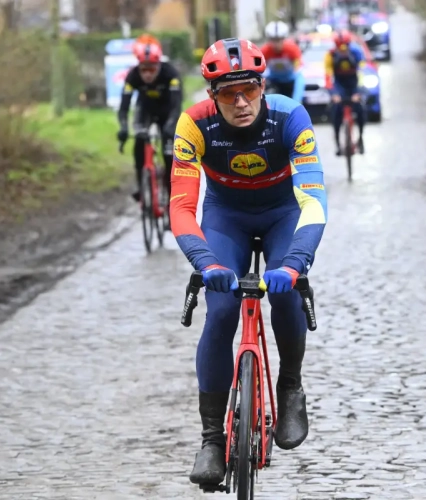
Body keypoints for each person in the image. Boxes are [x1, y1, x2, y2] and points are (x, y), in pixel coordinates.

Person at [170, 37, 328, 486]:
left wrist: (294, 263)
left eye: (250, 91)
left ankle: (291, 385)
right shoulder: (194, 125)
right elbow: (182, 206)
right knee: (219, 310)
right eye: (227, 93)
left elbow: (314, 199)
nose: (240, 103)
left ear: (263, 86)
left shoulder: (290, 116)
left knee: (286, 295)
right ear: (211, 95)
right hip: (226, 218)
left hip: (283, 214)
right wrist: (205, 262)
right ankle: (212, 442)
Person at [117, 35, 183, 206]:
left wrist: (170, 126)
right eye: (143, 69)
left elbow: (176, 106)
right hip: (145, 110)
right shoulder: (132, 76)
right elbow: (123, 106)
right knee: (139, 142)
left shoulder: (171, 74)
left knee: (169, 156)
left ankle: (171, 201)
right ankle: (142, 187)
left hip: (167, 112)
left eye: (151, 69)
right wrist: (123, 127)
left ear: (158, 65)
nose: (147, 74)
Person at [324, 29, 366, 155]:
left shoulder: (357, 52)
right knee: (336, 110)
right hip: (339, 84)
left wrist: (359, 92)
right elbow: (328, 77)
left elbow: (362, 73)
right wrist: (333, 94)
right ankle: (337, 143)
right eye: (339, 48)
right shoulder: (330, 55)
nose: (342, 51)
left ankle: (361, 138)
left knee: (361, 109)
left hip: (354, 83)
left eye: (345, 48)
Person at [259, 21, 305, 103]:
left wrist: (295, 70)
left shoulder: (292, 48)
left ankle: (297, 104)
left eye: (279, 40)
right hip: (273, 77)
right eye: (273, 40)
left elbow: (299, 66)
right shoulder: (265, 50)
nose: (276, 44)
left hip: (290, 77)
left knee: (300, 79)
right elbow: (259, 68)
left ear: (284, 39)